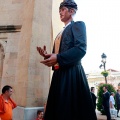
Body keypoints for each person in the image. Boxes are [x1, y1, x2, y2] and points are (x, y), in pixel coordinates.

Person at [37, 0, 97, 119]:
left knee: (68, 111)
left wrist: (58, 57)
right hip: (59, 74)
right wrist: (49, 56)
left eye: (63, 9)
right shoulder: (60, 32)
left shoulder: (78, 25)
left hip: (72, 74)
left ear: (72, 11)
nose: (60, 12)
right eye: (59, 9)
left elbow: (81, 49)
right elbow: (58, 54)